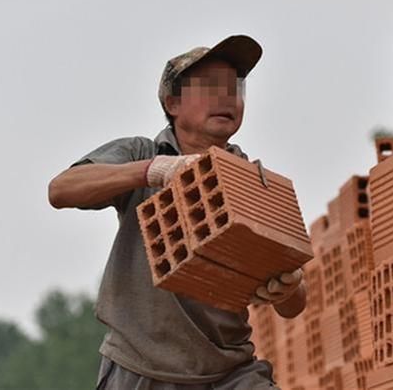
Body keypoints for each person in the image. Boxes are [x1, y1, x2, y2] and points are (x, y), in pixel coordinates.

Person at [48, 34, 306, 389]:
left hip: (231, 373)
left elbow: (293, 306)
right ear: (172, 102)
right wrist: (152, 171)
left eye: (235, 88)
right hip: (141, 369)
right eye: (210, 87)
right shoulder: (142, 152)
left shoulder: (250, 179)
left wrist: (288, 287)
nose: (227, 97)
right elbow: (61, 189)